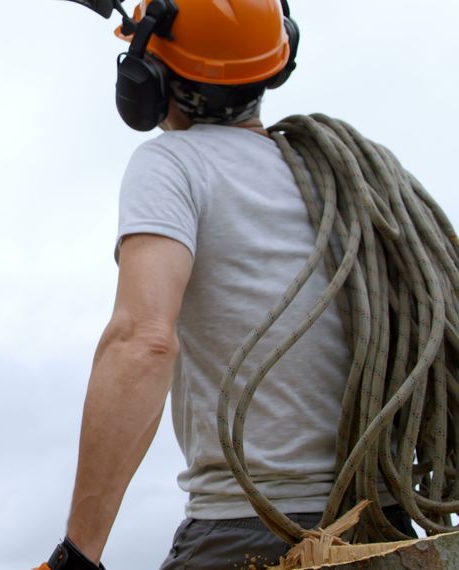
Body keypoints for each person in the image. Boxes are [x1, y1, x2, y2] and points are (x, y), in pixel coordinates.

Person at [38, 1, 416, 568]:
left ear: (150, 78)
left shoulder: (173, 164)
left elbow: (144, 341)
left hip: (251, 528)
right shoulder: (353, 178)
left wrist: (78, 554)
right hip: (389, 526)